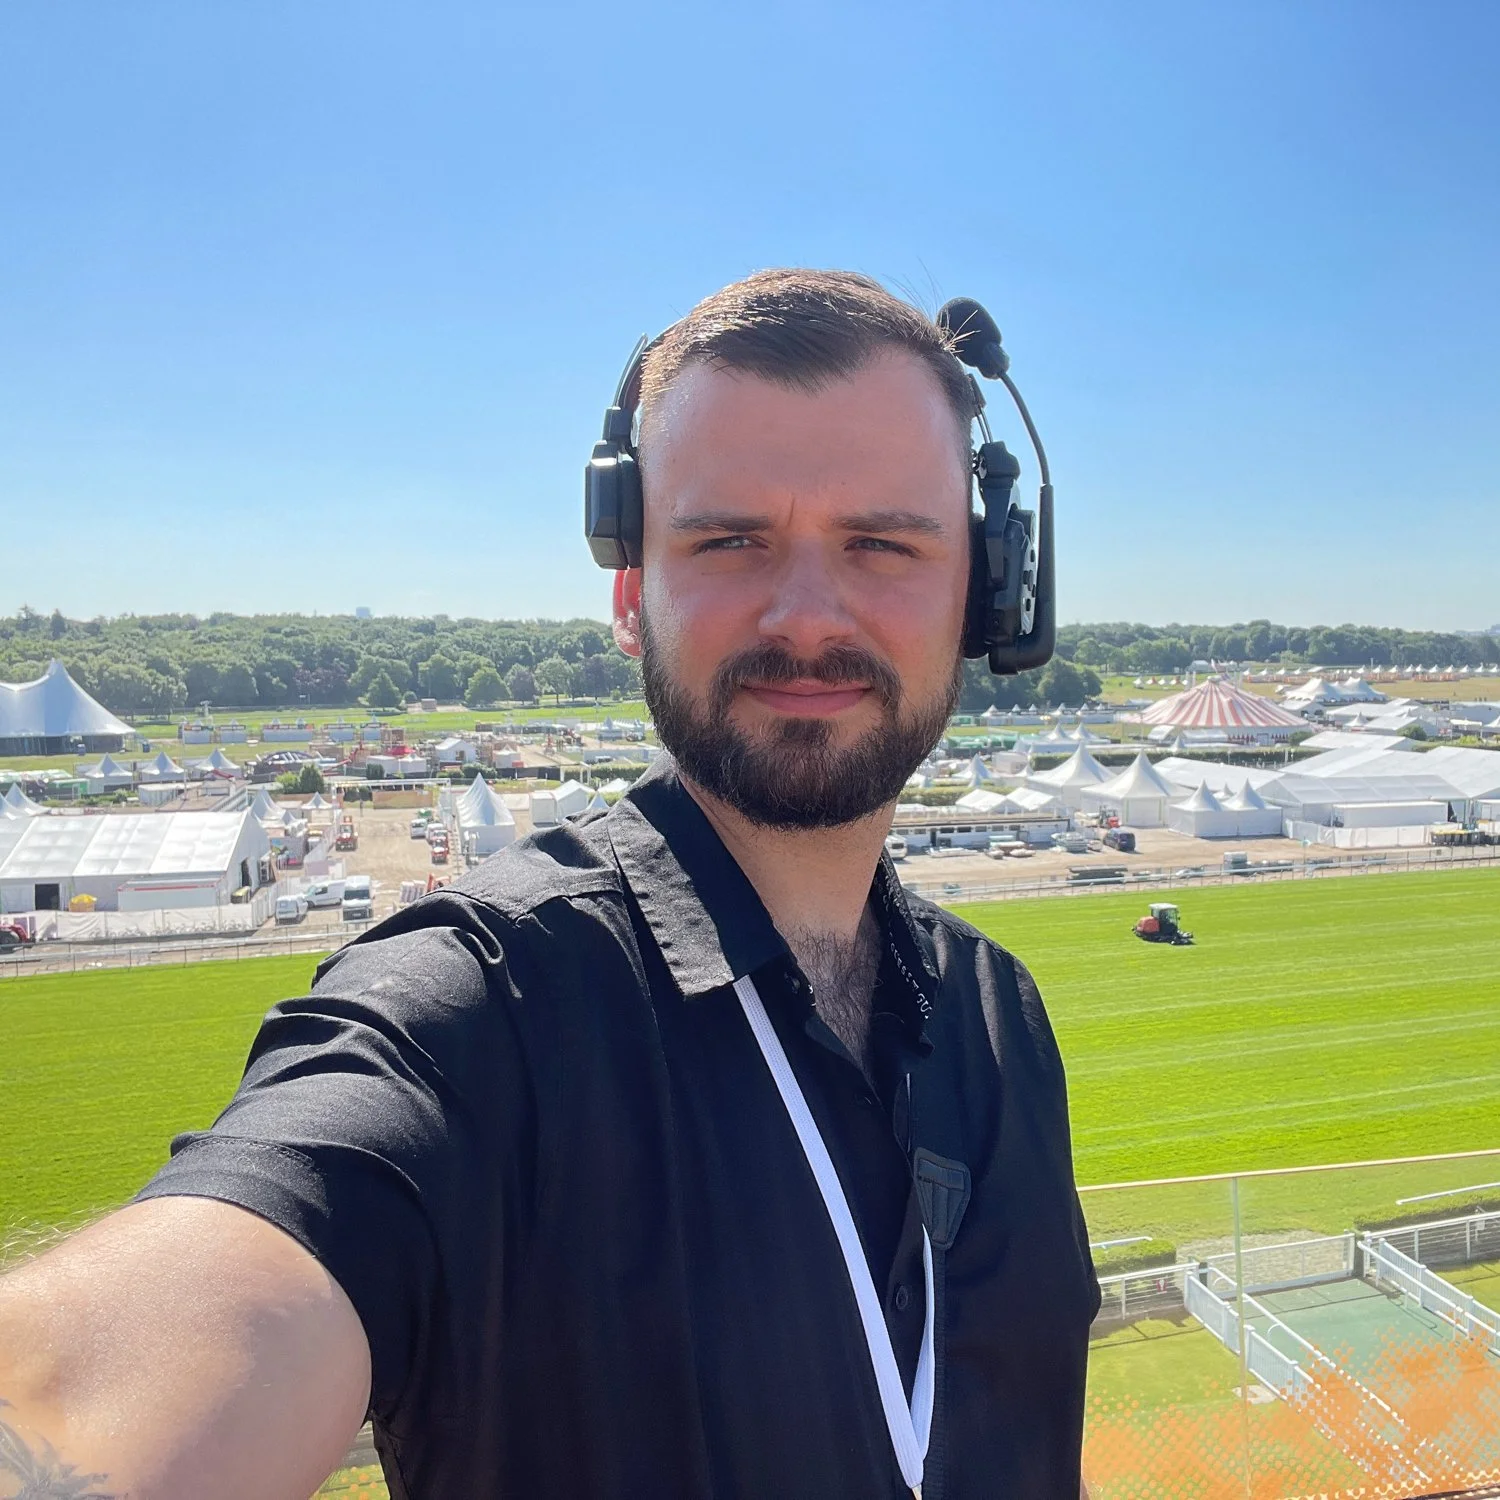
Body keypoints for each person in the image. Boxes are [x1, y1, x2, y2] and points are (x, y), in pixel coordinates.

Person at [0, 269, 1099, 1499]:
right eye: (729, 538)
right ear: (633, 591)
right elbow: (154, 1346)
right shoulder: (472, 1017)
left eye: (883, 543)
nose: (803, 614)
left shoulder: (1006, 1023)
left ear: (988, 593)